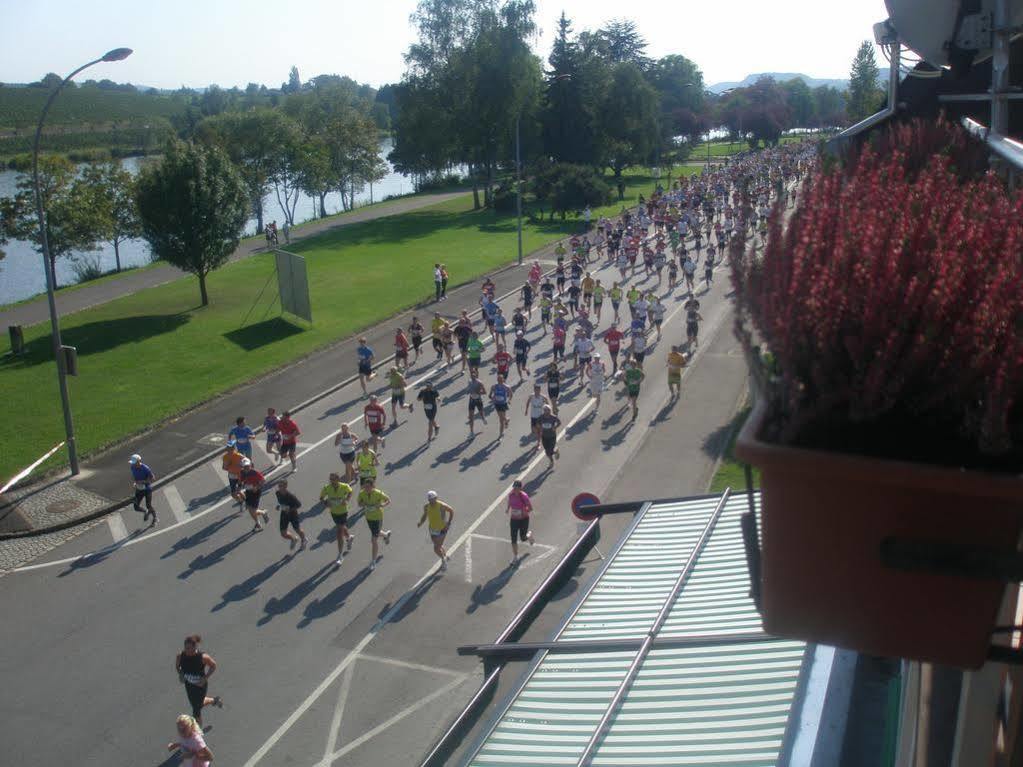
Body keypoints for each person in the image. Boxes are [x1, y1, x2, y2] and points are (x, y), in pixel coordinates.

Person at [175, 635, 222, 727]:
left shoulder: (203, 657)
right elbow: (177, 667)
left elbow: (213, 666)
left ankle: (198, 733)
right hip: (189, 685)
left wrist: (205, 678)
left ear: (195, 647)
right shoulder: (180, 656)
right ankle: (214, 700)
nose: (187, 650)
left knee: (196, 710)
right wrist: (180, 674)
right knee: (197, 704)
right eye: (185, 647)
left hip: (200, 686)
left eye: (189, 648)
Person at [320, 472, 355, 566]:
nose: (331, 481)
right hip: (334, 512)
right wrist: (326, 503)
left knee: (339, 531)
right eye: (330, 479)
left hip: (343, 511)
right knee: (342, 527)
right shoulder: (327, 487)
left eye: (333, 479)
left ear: (338, 479)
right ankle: (349, 537)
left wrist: (347, 500)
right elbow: (321, 497)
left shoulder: (344, 486)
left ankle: (340, 555)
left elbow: (350, 491)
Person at [357, 478, 391, 571]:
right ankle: (386, 535)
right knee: (376, 533)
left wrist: (382, 505)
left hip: (377, 517)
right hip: (368, 518)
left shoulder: (378, 493)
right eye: (365, 486)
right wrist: (363, 504)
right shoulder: (362, 493)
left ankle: (373, 561)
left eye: (368, 486)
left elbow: (388, 500)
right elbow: (359, 503)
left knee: (373, 539)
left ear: (372, 486)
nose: (366, 488)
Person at [417, 490, 453, 571]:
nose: (431, 501)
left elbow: (451, 511)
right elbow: (425, 515)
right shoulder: (426, 506)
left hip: (442, 529)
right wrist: (421, 522)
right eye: (429, 499)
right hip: (432, 529)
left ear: (436, 498)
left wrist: (448, 523)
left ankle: (443, 560)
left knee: (436, 548)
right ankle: (445, 556)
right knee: (438, 545)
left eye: (433, 499)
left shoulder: (441, 506)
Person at [505, 479, 535, 562]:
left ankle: (529, 535)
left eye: (516, 488)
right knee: (513, 538)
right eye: (514, 488)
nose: (514, 490)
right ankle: (515, 557)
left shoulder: (524, 496)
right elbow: (509, 502)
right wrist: (508, 509)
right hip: (514, 519)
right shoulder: (511, 495)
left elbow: (530, 508)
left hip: (523, 519)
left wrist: (524, 512)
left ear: (520, 488)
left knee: (523, 538)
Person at [274, 478, 306, 550]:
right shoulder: (277, 493)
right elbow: (280, 502)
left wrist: (290, 509)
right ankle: (294, 539)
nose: (279, 487)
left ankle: (304, 540)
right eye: (279, 485)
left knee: (297, 529)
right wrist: (279, 506)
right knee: (283, 533)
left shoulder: (291, 496)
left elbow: (299, 505)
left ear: (285, 486)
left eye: (281, 485)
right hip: (284, 514)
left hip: (293, 515)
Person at [239, 458, 270, 531]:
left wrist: (257, 487)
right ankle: (258, 523)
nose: (246, 468)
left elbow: (263, 480)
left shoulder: (255, 472)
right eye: (244, 467)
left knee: (253, 510)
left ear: (250, 465)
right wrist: (239, 488)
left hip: (256, 492)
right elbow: (241, 481)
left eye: (247, 466)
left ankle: (263, 513)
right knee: (250, 510)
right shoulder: (242, 472)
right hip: (248, 491)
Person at [129, 453, 157, 525]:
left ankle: (155, 518)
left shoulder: (145, 468)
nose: (133, 464)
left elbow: (153, 478)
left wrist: (142, 482)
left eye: (135, 463)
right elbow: (134, 477)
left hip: (147, 489)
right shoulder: (132, 467)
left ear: (139, 461)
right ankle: (146, 511)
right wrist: (135, 483)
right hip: (139, 489)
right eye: (133, 463)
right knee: (136, 507)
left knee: (149, 505)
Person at [525, 384, 550, 451]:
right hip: (533, 416)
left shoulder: (543, 397)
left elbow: (547, 404)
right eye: (535, 390)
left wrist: (547, 412)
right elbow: (528, 402)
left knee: (538, 430)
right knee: (533, 430)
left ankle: (538, 443)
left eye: (538, 390)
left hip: (540, 416)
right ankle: (540, 437)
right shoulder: (531, 396)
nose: (536, 391)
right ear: (534, 390)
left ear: (540, 390)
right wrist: (526, 410)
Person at [537, 404, 561, 470]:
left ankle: (551, 461)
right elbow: (538, 423)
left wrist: (555, 427)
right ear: (543, 411)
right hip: (544, 436)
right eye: (545, 410)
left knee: (549, 450)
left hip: (552, 436)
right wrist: (540, 428)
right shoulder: (541, 417)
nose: (547, 412)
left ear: (550, 411)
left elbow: (559, 422)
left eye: (548, 410)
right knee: (547, 451)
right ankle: (554, 454)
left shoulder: (553, 417)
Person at [467, 370, 488, 436]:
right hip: (471, 400)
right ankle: (471, 432)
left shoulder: (479, 383)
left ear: (476, 375)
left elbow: (485, 392)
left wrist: (478, 392)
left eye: (474, 375)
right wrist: (469, 391)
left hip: (478, 400)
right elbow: (469, 389)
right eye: (471, 375)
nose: (473, 376)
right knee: (471, 417)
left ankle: (483, 418)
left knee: (481, 413)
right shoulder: (469, 381)